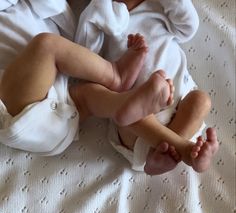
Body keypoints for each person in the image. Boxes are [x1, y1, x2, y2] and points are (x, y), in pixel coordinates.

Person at [75, 0, 219, 174]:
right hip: (136, 122)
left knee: (201, 100)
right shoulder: (101, 12)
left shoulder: (159, 6)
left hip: (179, 108)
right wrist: (101, 8)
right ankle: (183, 149)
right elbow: (83, 56)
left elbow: (189, 26)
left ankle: (163, 153)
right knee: (127, 111)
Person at [0, 32, 173, 155]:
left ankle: (120, 105)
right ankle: (114, 75)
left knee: (86, 97)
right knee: (46, 45)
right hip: (14, 109)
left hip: (59, 117)